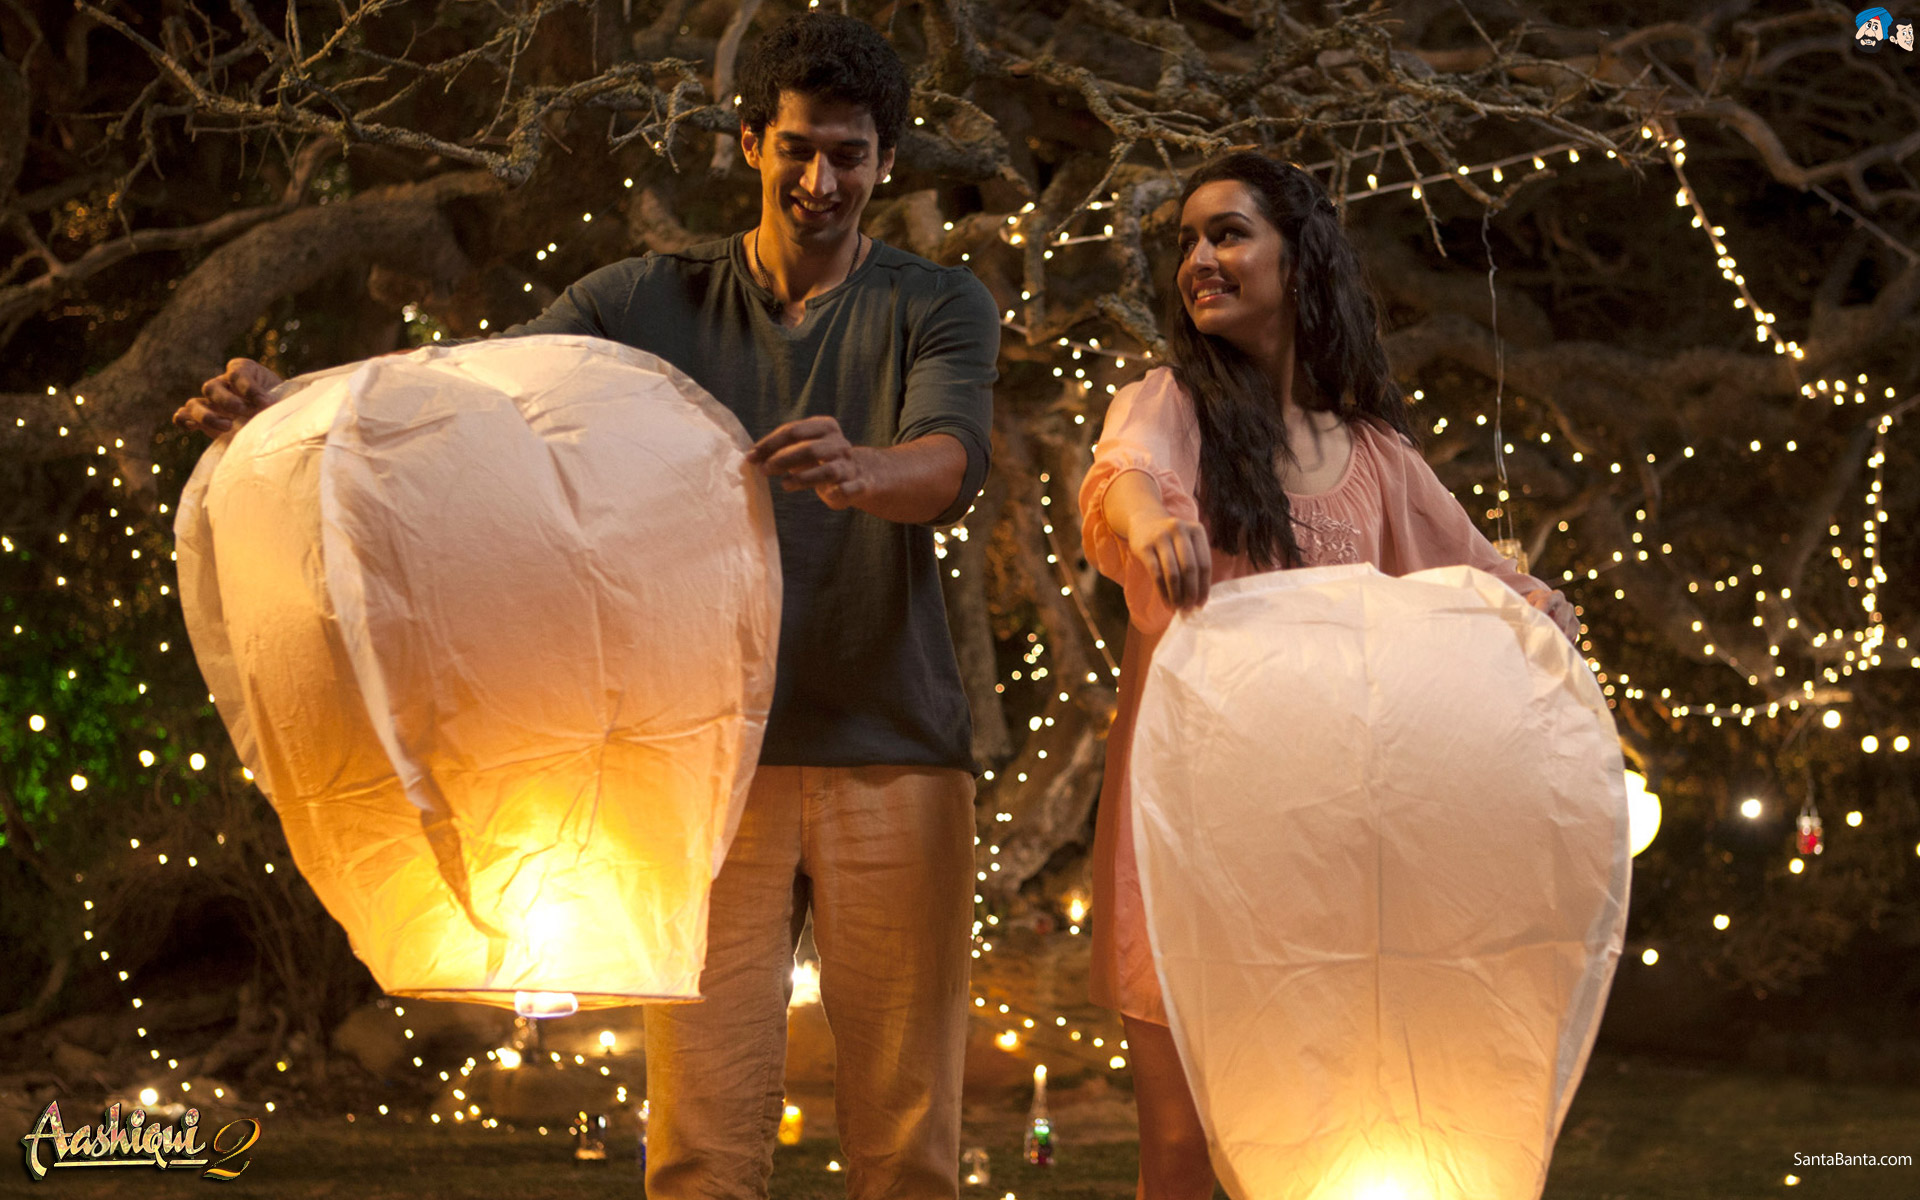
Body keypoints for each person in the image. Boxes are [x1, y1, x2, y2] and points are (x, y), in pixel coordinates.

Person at [175, 15, 998, 1200]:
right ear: (751, 142)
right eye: (799, 149)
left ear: (887, 161)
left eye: (851, 156)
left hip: (895, 747)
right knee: (702, 1141)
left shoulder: (938, 301)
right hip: (703, 765)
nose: (822, 182)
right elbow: (475, 392)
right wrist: (289, 397)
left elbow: (950, 460)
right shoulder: (646, 298)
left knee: (909, 1140)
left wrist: (865, 468)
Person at [1076, 151, 1579, 1200]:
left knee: (1312, 1141)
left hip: (1323, 851)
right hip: (1188, 831)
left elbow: (1482, 580)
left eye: (1227, 233)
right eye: (1187, 241)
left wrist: (1545, 616)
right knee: (1182, 1148)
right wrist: (1154, 519)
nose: (1198, 259)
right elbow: (1125, 474)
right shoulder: (1173, 404)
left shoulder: (1376, 458)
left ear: (1299, 259)